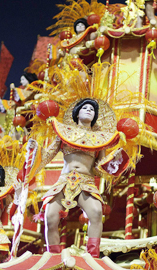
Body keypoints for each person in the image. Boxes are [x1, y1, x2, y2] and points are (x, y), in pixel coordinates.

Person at [27, 98, 127, 257]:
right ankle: (53, 256)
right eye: (85, 108)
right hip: (64, 181)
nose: (89, 110)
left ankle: (92, 256)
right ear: (76, 113)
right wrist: (35, 149)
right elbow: (46, 156)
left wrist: (114, 161)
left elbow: (99, 168)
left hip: (86, 181)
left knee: (96, 212)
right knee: (50, 216)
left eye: (92, 110)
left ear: (95, 117)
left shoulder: (100, 139)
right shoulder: (63, 133)